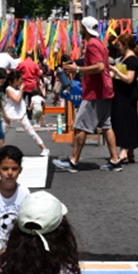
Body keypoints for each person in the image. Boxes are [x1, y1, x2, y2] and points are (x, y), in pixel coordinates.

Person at [53, 16, 122, 172]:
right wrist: (77, 64)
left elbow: (98, 66)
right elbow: (97, 63)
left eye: (81, 28)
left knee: (80, 126)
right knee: (106, 126)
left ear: (84, 28)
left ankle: (73, 162)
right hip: (104, 90)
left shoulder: (91, 44)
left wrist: (77, 69)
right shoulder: (100, 44)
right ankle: (115, 160)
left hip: (95, 91)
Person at [109, 33, 138, 163]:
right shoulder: (123, 58)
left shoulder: (132, 60)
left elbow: (129, 79)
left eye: (119, 45)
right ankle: (130, 152)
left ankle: (123, 152)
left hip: (126, 96)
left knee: (125, 122)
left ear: (126, 45)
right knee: (125, 121)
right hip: (120, 94)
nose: (118, 48)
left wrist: (115, 71)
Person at [3, 70, 49, 157]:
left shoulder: (18, 89)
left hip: (21, 114)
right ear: (15, 80)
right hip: (10, 114)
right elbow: (17, 100)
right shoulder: (9, 89)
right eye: (21, 79)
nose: (22, 81)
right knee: (2, 132)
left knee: (31, 131)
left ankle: (44, 148)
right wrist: (21, 90)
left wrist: (21, 90)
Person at [16, 52, 43, 120]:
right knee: (31, 100)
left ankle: (21, 113)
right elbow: (39, 74)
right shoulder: (34, 64)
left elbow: (16, 71)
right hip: (32, 85)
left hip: (24, 84)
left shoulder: (22, 63)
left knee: (21, 100)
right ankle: (30, 115)